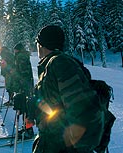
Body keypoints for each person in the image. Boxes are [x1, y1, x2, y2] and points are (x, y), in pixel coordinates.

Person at [27, 25, 104, 153]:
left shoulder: (59, 63)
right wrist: (33, 107)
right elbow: (55, 105)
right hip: (51, 143)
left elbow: (83, 109)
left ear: (41, 45)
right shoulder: (52, 65)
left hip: (60, 146)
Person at [12, 43, 34, 139]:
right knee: (25, 108)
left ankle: (29, 130)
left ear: (18, 50)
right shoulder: (22, 56)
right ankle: (27, 128)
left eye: (15, 50)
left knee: (25, 108)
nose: (14, 52)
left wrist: (20, 84)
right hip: (26, 85)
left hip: (25, 86)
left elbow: (23, 73)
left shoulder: (21, 57)